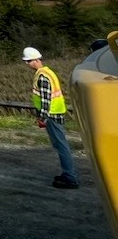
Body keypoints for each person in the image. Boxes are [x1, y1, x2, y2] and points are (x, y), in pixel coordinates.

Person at [22, 47, 79, 189]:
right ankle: (68, 174)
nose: (27, 64)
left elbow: (45, 99)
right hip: (55, 113)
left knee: (61, 146)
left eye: (28, 61)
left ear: (36, 60)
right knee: (60, 145)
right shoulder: (48, 73)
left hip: (52, 115)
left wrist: (42, 117)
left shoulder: (42, 76)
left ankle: (70, 177)